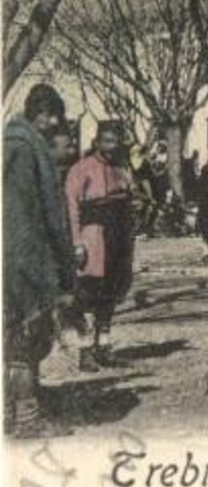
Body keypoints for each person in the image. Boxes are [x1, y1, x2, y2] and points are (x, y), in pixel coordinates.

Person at [4, 85, 78, 437]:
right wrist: (34, 269)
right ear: (42, 114)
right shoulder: (22, 148)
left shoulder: (22, 144)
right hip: (22, 258)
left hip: (23, 255)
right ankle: (26, 417)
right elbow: (21, 216)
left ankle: (18, 407)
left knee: (25, 335)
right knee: (24, 334)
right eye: (52, 117)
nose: (54, 125)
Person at [64, 120, 137, 370]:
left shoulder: (122, 168)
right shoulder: (81, 169)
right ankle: (85, 351)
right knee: (86, 294)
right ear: (97, 141)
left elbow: (129, 197)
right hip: (93, 236)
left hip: (119, 237)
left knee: (112, 293)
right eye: (106, 141)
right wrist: (77, 243)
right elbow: (71, 207)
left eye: (115, 142)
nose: (110, 147)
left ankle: (103, 346)